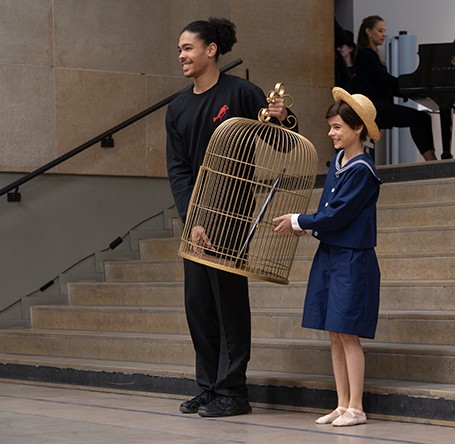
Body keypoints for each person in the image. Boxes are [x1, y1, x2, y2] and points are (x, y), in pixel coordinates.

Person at [165, 17, 293, 418]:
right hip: (196, 221)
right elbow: (179, 170)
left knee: (228, 305)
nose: (182, 56)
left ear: (211, 50)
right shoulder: (178, 107)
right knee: (198, 306)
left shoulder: (242, 93)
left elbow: (281, 142)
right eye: (180, 50)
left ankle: (234, 392)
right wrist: (192, 218)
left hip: (234, 213)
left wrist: (283, 118)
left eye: (188, 48)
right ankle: (208, 387)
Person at [273, 87, 382, 427]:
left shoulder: (362, 169)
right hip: (330, 255)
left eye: (337, 127)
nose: (331, 133)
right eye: (331, 126)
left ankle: (357, 407)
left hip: (352, 258)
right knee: (334, 331)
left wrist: (298, 221)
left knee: (348, 332)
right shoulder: (338, 161)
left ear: (357, 129)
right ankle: (341, 402)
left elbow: (337, 215)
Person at [347, 15, 437, 161]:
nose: (383, 34)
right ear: (368, 31)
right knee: (417, 118)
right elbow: (383, 79)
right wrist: (410, 87)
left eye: (384, 31)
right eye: (380, 30)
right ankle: (431, 160)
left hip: (376, 104)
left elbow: (383, 82)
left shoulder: (370, 54)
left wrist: (409, 91)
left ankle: (431, 158)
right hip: (372, 106)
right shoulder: (366, 54)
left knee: (423, 117)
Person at [334, 20, 356, 88]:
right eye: (337, 47)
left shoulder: (356, 68)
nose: (338, 49)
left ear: (350, 49)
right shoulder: (336, 67)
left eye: (341, 47)